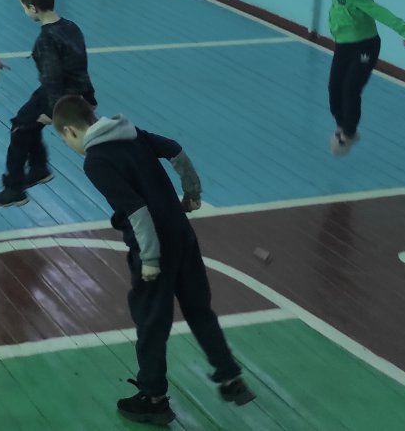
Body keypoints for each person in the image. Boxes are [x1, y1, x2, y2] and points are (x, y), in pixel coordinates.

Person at [52, 95, 255, 426]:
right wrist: (192, 192)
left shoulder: (96, 161)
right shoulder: (130, 133)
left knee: (151, 321)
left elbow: (136, 211)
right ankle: (232, 378)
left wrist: (149, 258)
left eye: (64, 140)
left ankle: (153, 398)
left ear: (71, 131)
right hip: (182, 234)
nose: (68, 145)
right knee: (199, 310)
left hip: (154, 244)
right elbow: (175, 150)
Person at [0, 0, 95, 208]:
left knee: (20, 128)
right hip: (73, 89)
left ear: (32, 8)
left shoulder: (46, 39)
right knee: (27, 122)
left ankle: (14, 188)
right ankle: (39, 169)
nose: (24, 11)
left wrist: (52, 111)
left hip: (56, 95)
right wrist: (89, 96)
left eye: (23, 7)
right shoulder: (71, 27)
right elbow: (81, 65)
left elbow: (52, 78)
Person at [315, 0, 405, 156]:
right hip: (344, 46)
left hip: (365, 47)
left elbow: (377, 11)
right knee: (334, 87)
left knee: (350, 88)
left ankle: (349, 133)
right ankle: (342, 125)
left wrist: (404, 30)